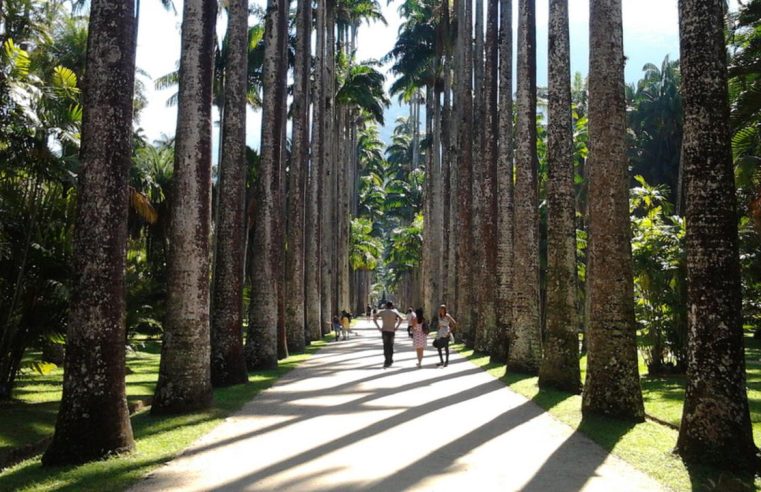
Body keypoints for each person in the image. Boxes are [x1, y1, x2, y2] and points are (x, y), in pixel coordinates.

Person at [373, 301, 402, 367]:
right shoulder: (394, 312)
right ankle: (390, 359)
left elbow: (374, 318)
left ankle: (387, 360)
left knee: (385, 346)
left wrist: (379, 327)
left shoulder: (382, 312)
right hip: (392, 330)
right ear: (392, 306)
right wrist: (397, 327)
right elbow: (401, 319)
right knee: (391, 345)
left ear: (386, 306)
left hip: (385, 330)